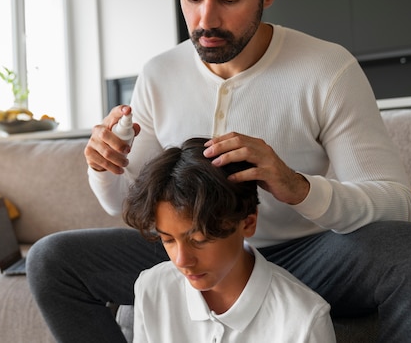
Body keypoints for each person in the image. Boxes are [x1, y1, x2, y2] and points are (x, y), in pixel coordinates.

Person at [27, 0, 411, 342]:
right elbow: (122, 204)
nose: (206, 20)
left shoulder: (327, 69)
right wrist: (104, 165)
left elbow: (395, 206)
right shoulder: (158, 74)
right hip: (196, 250)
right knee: (51, 259)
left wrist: (296, 186)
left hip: (307, 256)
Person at [124, 137, 336, 342]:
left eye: (199, 239)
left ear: (248, 223)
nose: (181, 261)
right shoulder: (151, 287)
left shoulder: (304, 321)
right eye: (167, 240)